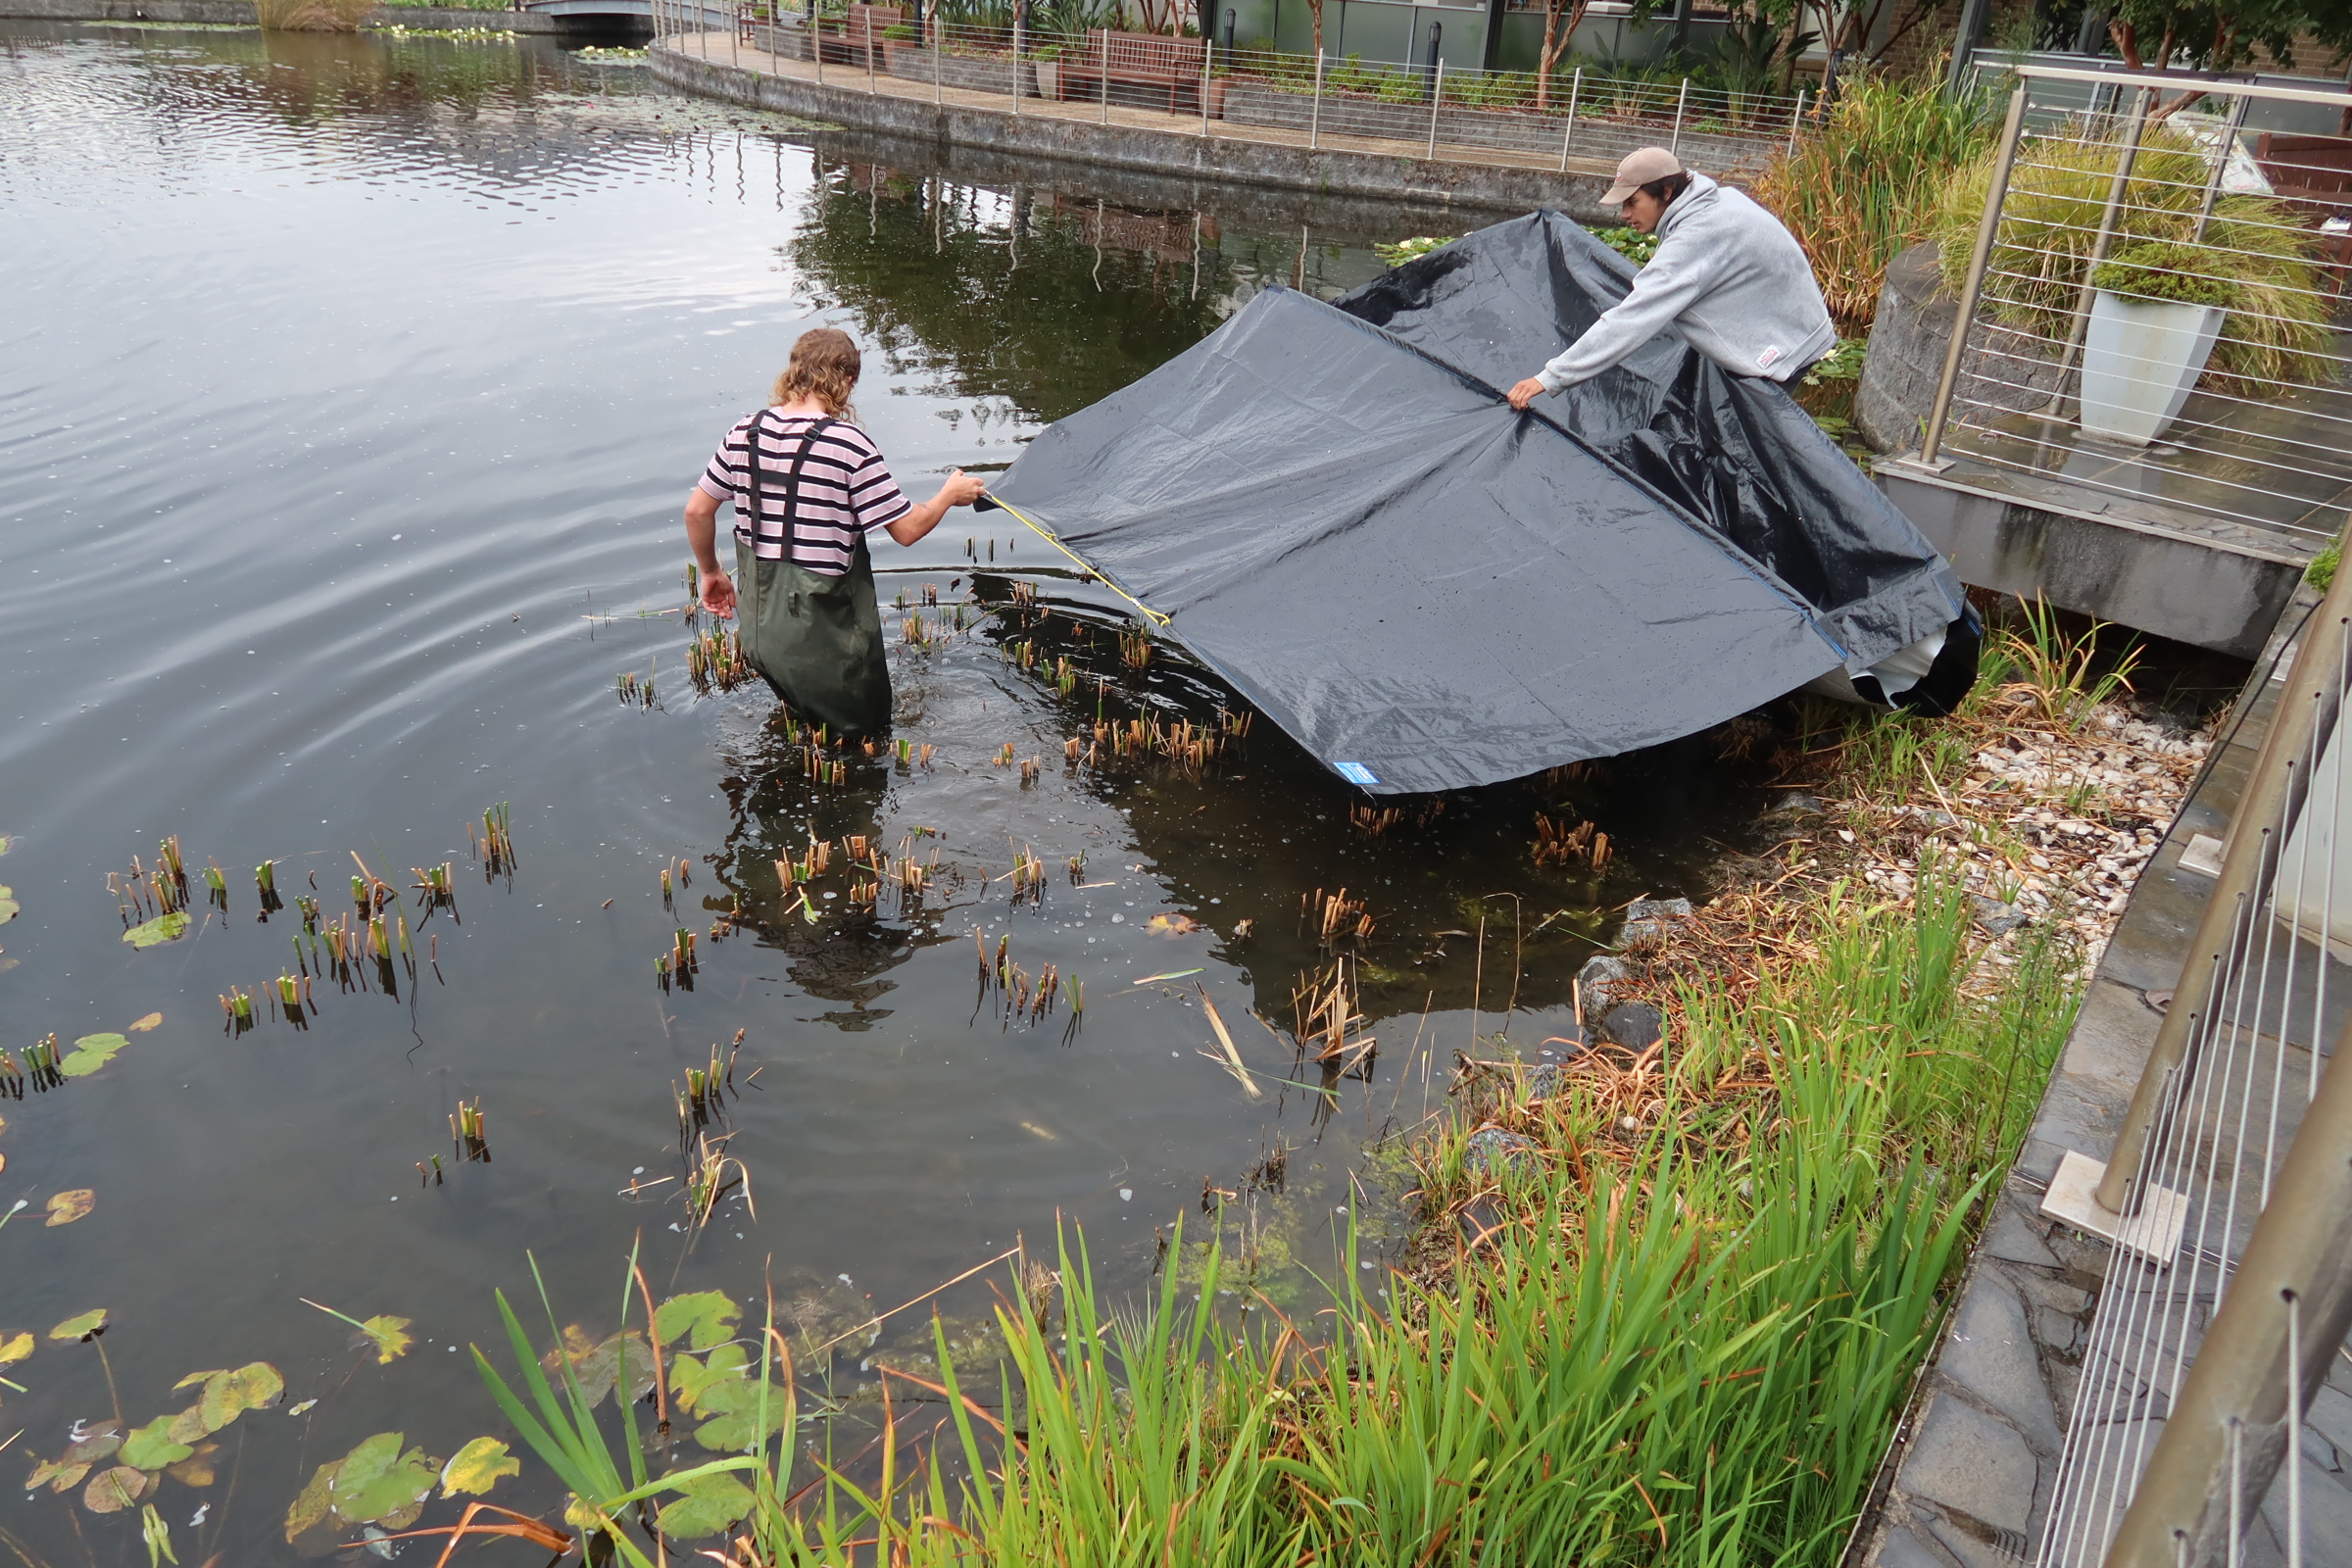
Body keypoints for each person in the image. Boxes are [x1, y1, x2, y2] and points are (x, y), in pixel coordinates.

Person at [684, 328, 986, 737]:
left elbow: (697, 511)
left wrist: (710, 572)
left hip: (761, 637)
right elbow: (907, 530)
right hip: (824, 644)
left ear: (794, 371)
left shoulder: (744, 432)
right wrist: (949, 495)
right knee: (866, 742)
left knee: (806, 733)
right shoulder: (847, 445)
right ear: (847, 380)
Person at [1505, 147, 1836, 409]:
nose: (1625, 214)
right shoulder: (1719, 200)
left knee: (1753, 452)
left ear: (1665, 191)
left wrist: (1549, 378)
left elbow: (1630, 322)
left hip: (1787, 348)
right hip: (1799, 325)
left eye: (1633, 202)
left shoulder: (1696, 237)